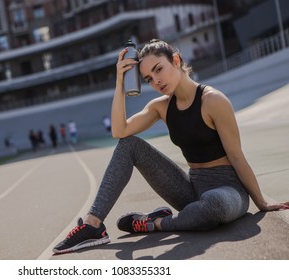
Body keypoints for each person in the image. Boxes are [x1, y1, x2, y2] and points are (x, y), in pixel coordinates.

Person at [53, 39, 289, 254]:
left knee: (213, 207)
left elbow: (237, 157)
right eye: (148, 79)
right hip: (191, 189)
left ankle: (154, 223)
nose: (156, 81)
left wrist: (261, 202)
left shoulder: (213, 101)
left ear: (175, 60)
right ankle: (93, 225)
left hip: (228, 191)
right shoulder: (161, 107)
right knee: (128, 144)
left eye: (158, 70)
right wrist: (119, 83)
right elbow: (119, 131)